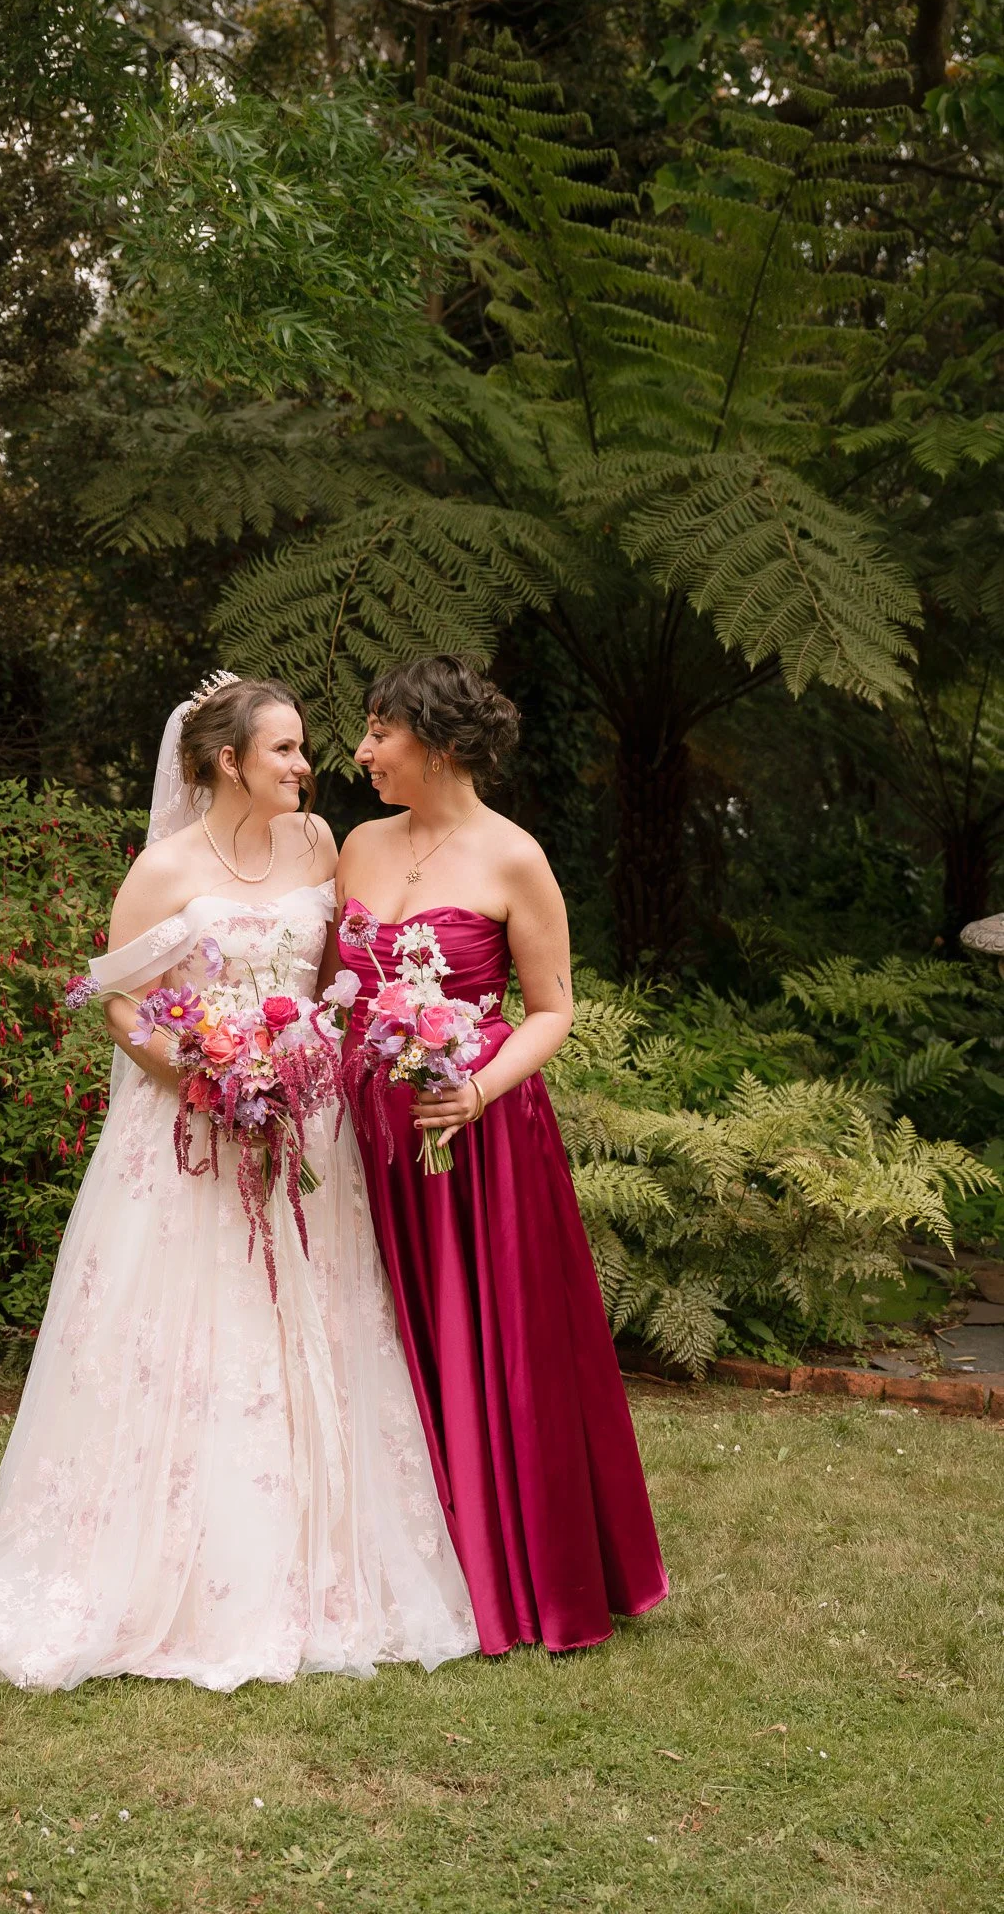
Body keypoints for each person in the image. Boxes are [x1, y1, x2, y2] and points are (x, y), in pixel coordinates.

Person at [0, 673, 477, 1692]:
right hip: (191, 1139)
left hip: (306, 1137)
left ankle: (320, 1565)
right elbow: (121, 1005)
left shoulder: (320, 845)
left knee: (309, 1326)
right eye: (284, 748)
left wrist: (324, 1053)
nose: (305, 764)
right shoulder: (163, 869)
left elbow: (336, 974)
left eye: (304, 748)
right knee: (188, 1337)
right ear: (229, 761)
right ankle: (163, 1563)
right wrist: (208, 1077)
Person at [329, 654, 667, 1656]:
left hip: (476, 1136)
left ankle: (509, 1572)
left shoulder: (515, 856)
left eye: (380, 731)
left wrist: (474, 1088)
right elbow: (332, 987)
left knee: (491, 1344)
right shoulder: (357, 842)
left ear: (434, 743)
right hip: (366, 1133)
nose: (362, 751)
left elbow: (552, 1008)